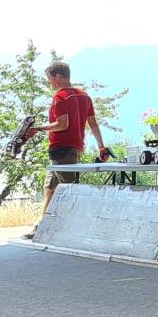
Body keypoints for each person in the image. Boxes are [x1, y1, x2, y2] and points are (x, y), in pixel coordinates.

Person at [37, 60, 109, 213]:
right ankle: (42, 223)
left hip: (60, 149)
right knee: (50, 188)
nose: (49, 83)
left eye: (50, 79)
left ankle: (76, 220)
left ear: (58, 77)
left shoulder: (60, 97)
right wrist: (101, 147)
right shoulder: (85, 96)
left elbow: (62, 124)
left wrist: (39, 129)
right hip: (73, 149)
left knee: (69, 190)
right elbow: (93, 124)